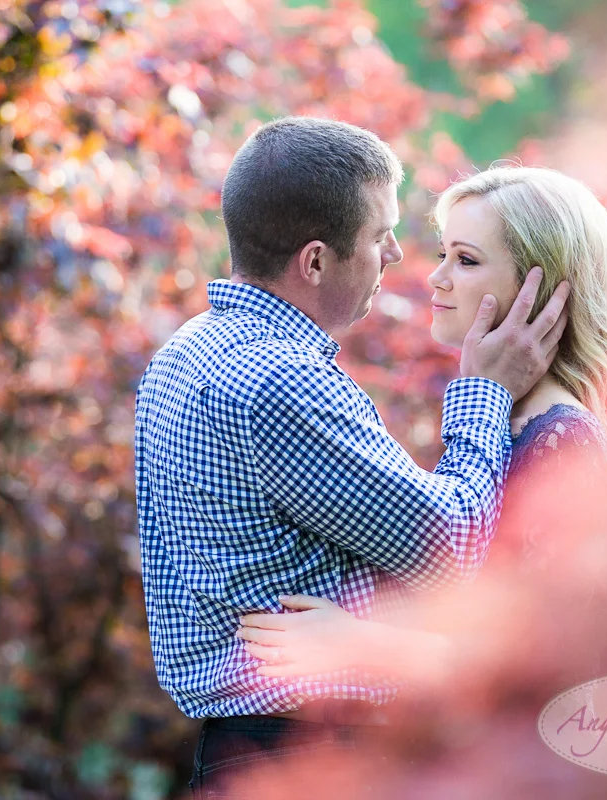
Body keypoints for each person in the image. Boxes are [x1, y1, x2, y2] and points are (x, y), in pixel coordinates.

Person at [134, 120, 570, 798]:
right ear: (314, 261)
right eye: (378, 236)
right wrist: (485, 391)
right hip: (316, 752)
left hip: (244, 749)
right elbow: (451, 550)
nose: (398, 254)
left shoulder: (185, 352)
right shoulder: (282, 380)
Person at [236, 166, 607, 751]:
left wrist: (359, 644)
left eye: (464, 260)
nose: (434, 277)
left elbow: (538, 673)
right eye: (443, 253)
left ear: (537, 290)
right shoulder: (501, 429)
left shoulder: (564, 444)